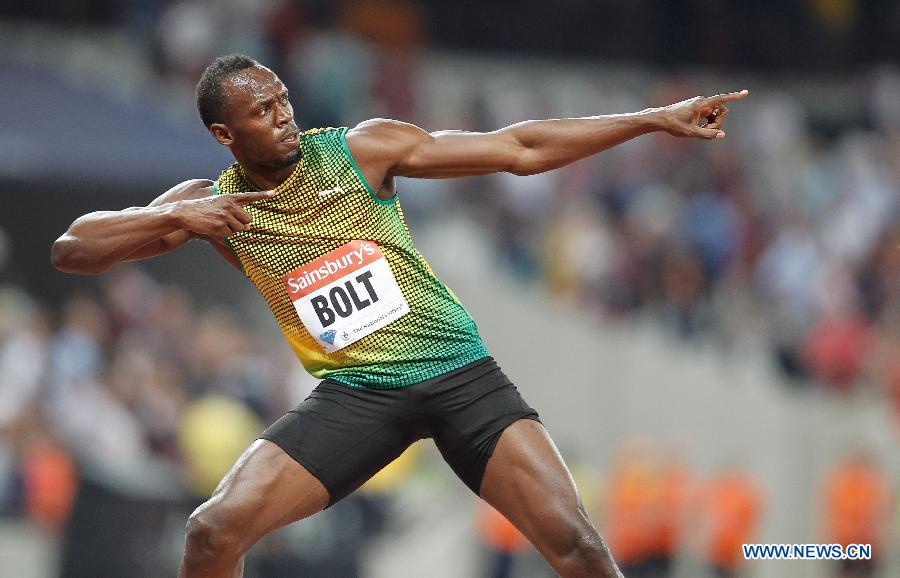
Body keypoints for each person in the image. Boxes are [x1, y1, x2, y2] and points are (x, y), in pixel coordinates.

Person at [51, 53, 747, 577]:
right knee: (211, 531)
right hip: (357, 396)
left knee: (577, 545)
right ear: (223, 133)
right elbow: (72, 250)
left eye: (283, 99)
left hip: (457, 374)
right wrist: (177, 214)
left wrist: (651, 120)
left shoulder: (361, 151)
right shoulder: (215, 206)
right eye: (261, 112)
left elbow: (518, 149)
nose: (283, 114)